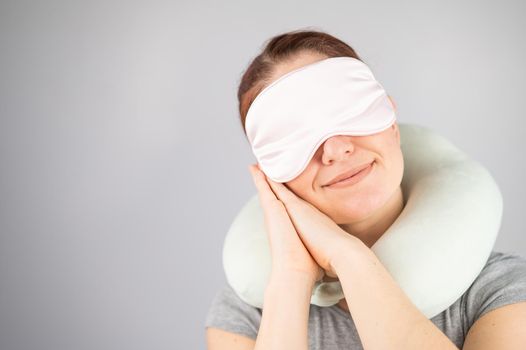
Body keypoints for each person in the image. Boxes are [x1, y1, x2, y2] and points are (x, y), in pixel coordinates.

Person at [204, 29, 526, 350]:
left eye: (348, 110)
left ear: (391, 120)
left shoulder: (502, 290)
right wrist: (291, 275)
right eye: (294, 136)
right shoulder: (247, 316)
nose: (336, 148)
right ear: (271, 179)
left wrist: (346, 256)